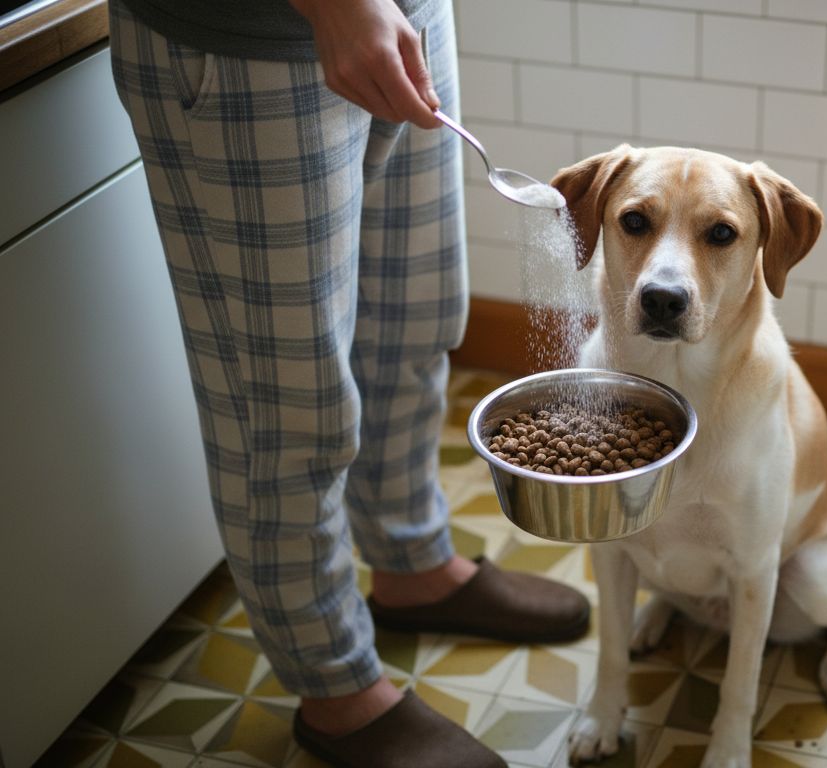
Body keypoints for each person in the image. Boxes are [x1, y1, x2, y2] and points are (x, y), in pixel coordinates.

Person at [107, 0, 589, 765]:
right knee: (289, 400)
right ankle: (334, 686)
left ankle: (411, 563)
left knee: (414, 318)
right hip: (254, 38)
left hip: (408, 14)